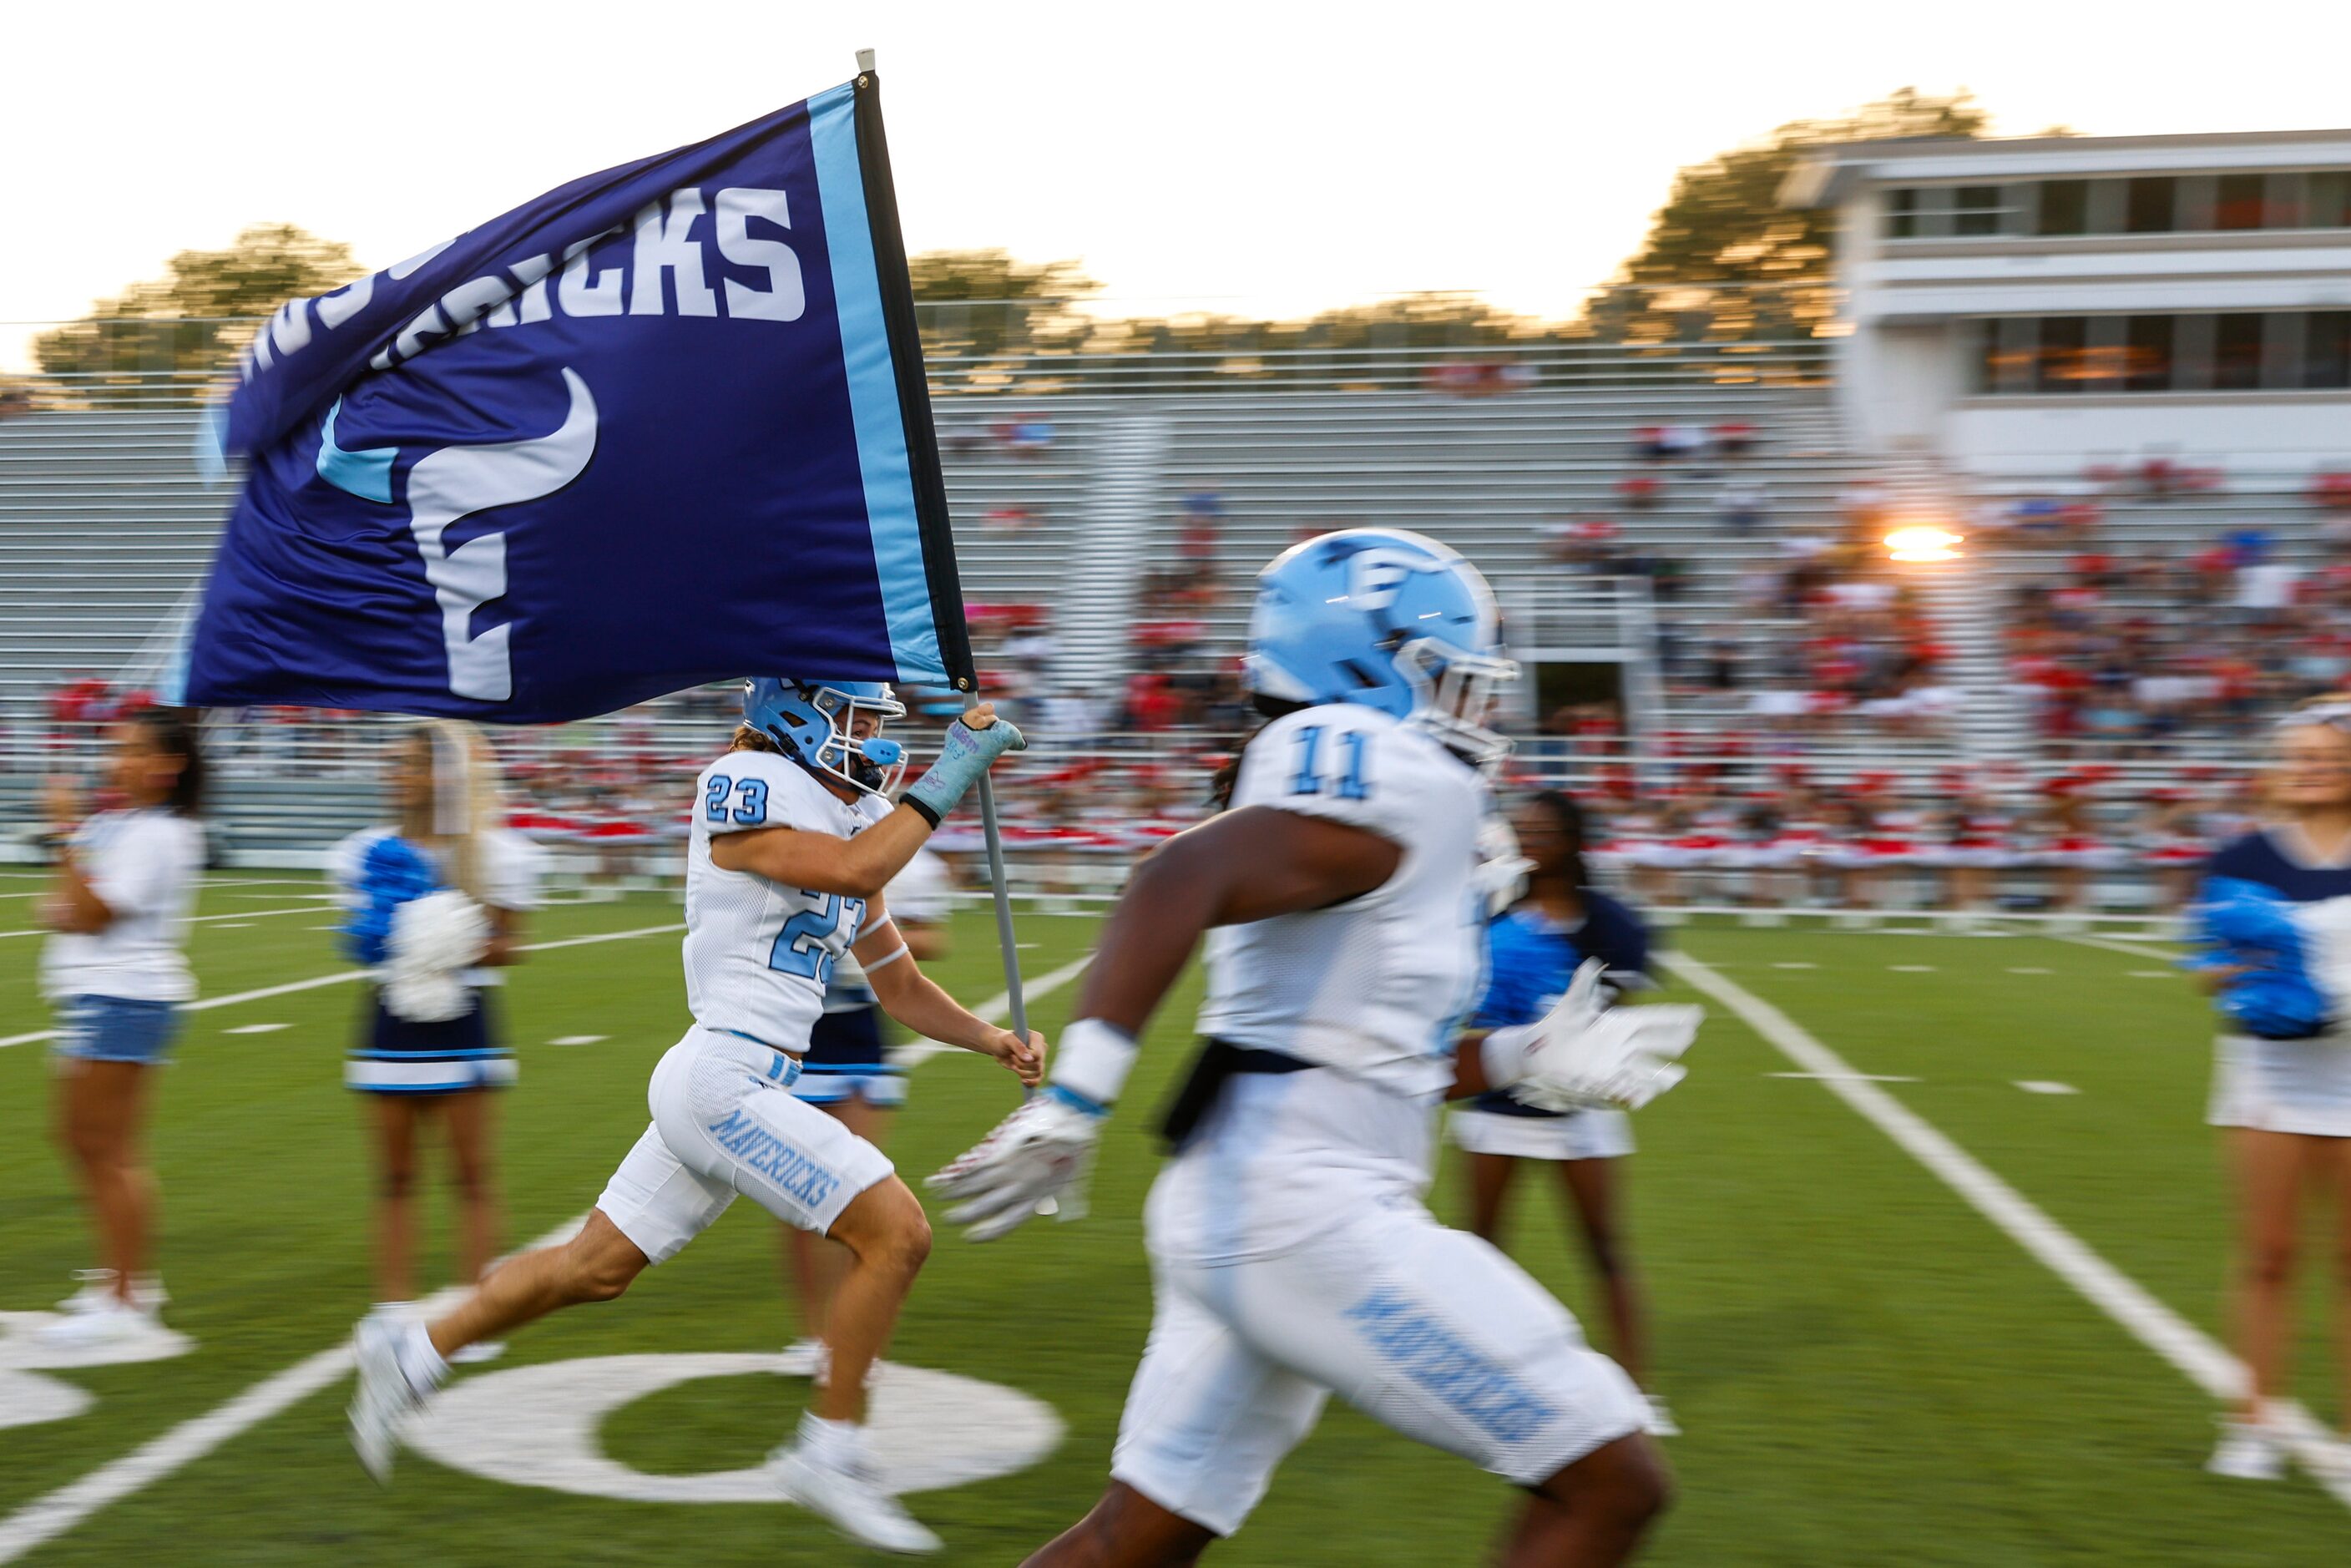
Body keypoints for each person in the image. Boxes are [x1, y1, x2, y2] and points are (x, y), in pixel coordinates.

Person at [933, 529, 1701, 1567]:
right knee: (1610, 1480)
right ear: (1363, 665)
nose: (1474, 708)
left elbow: (1369, 1054)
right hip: (1302, 1211)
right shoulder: (1379, 760)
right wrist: (1077, 1099)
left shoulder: (1375, 791)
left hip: (1259, 1194)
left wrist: (1523, 1061)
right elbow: (1173, 880)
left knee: (1130, 1542)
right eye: (1448, 677)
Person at [348, 680, 1040, 1555]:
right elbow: (856, 871)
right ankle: (829, 1450)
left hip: (744, 1082)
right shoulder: (743, 781)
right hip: (723, 1080)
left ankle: (414, 1349)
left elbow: (896, 983)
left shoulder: (846, 812)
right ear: (799, 712)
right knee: (896, 1234)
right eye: (856, 717)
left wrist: (990, 1040)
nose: (871, 736)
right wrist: (946, 777)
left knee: (593, 1268)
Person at [1453, 791, 1673, 1438]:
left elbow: (1617, 1020)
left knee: (1605, 1249)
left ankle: (1638, 1392)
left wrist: (1590, 1057)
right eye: (1522, 829)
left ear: (1575, 840)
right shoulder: (1488, 907)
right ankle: (1470, 1378)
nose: (1529, 838)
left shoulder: (1608, 923)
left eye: (1544, 830)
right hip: (1496, 1105)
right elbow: (1465, 1006)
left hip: (1577, 1114)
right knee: (1479, 1251)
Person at [331, 721, 541, 1358]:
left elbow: (511, 947)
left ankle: (473, 1306)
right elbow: (358, 939)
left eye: (407, 765)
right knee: (393, 1175)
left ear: (442, 776)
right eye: (391, 765)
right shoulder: (365, 852)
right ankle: (392, 1309)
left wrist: (454, 939)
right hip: (388, 1020)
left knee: (471, 1174)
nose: (393, 776)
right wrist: (386, 937)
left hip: (464, 1025)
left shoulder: (487, 852)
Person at [2197, 700, 2351, 1480]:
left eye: (2327, 754)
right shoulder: (2244, 856)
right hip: (2272, 1072)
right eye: (2298, 754)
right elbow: (2204, 971)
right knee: (2268, 1255)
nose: (2311, 765)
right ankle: (2252, 1426)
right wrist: (2253, 979)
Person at [38, 709, 207, 1347]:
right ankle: (121, 1280)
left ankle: (127, 1299)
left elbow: (85, 910)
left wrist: (61, 833)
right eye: (117, 748)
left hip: (122, 996)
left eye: (134, 750)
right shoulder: (123, 826)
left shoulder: (157, 834)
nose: (117, 760)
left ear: (168, 766)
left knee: (104, 1148)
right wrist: (71, 891)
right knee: (87, 1143)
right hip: (101, 995)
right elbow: (58, 908)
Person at [777, 841, 954, 1379]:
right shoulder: (785, 844)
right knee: (795, 1197)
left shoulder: (910, 861)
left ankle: (851, 1338)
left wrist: (869, 941)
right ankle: (814, 1336)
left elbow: (931, 939)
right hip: (789, 1027)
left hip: (856, 1031)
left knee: (855, 1193)